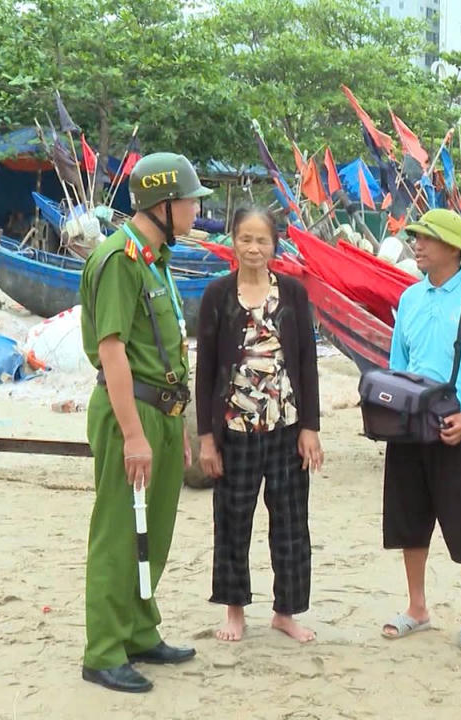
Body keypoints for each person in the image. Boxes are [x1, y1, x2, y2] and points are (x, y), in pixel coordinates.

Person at [78, 152, 211, 693]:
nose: (196, 212)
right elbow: (112, 351)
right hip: (127, 412)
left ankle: (137, 630)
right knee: (117, 531)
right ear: (163, 204)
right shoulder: (119, 259)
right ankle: (104, 649)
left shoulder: (154, 257)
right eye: (191, 202)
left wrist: (176, 425)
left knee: (151, 530)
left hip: (162, 411)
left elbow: (165, 347)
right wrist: (134, 434)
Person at [379, 208, 461, 654]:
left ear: (453, 248)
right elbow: (398, 364)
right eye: (415, 237)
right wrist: (391, 413)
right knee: (409, 520)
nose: (416, 244)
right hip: (411, 428)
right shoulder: (411, 298)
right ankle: (417, 606)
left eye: (426, 238)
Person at [195, 207, 323, 644]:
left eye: (262, 241)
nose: (253, 248)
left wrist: (311, 426)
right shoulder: (217, 294)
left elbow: (307, 360)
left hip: (286, 426)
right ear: (233, 240)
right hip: (234, 428)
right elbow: (205, 368)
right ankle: (234, 610)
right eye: (245, 239)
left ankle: (285, 612)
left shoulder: (292, 293)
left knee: (290, 521)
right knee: (233, 519)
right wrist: (206, 438)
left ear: (275, 245)